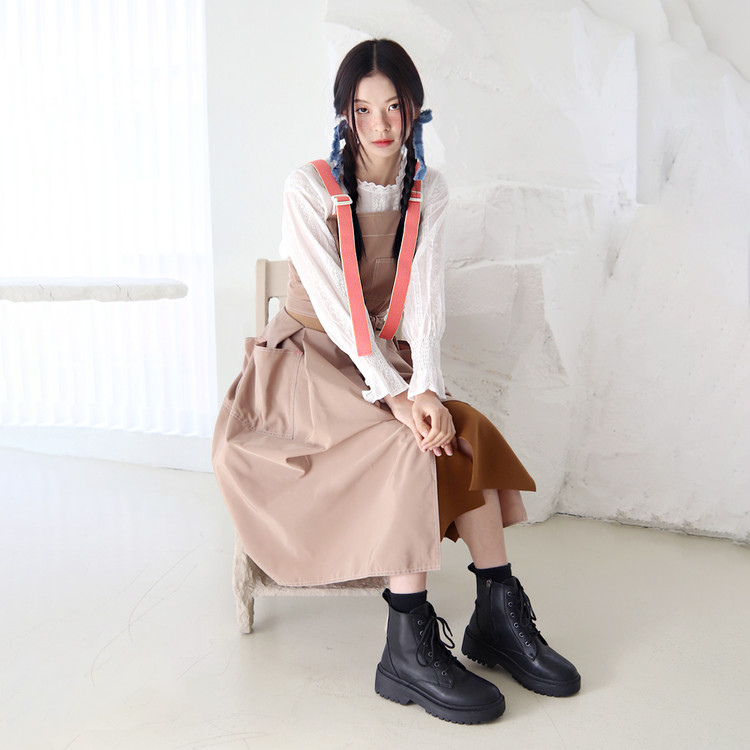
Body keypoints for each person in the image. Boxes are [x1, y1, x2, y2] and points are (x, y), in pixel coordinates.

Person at [212, 38, 580, 725]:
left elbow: (425, 305)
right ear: (344, 114)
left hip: (384, 362)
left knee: (461, 430)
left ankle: (496, 613)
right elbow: (339, 312)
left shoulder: (427, 190)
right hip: (305, 368)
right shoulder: (307, 188)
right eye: (363, 109)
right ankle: (405, 645)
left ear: (414, 110)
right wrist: (400, 396)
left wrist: (428, 389)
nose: (380, 124)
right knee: (409, 444)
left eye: (393, 107)